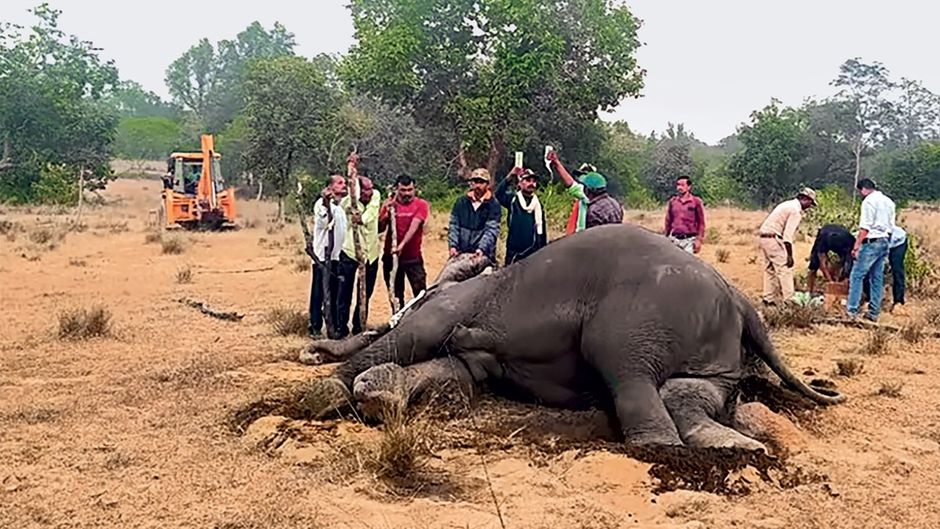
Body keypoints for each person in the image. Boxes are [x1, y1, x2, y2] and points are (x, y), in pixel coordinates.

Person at [336, 173, 381, 337]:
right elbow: (340, 219)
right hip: (350, 252)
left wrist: (359, 218)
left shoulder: (376, 196)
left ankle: (359, 326)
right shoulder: (347, 202)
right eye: (365, 190)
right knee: (344, 292)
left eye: (370, 189)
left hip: (371, 254)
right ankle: (341, 328)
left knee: (365, 293)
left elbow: (369, 217)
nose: (368, 193)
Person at [847, 178, 896, 322]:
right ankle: (874, 312)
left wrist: (856, 246)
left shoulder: (868, 202)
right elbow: (891, 226)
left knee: (856, 276)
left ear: (863, 189)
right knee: (877, 278)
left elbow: (865, 227)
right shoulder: (889, 202)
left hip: (871, 242)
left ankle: (852, 310)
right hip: (884, 241)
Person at [757, 188, 817, 305]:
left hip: (764, 237)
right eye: (810, 203)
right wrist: (789, 256)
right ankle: (789, 301)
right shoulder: (795, 211)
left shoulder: (787, 204)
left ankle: (768, 299)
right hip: (774, 239)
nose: (810, 206)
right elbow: (787, 237)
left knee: (769, 269)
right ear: (805, 199)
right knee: (785, 270)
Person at [379, 174, 430, 311]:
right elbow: (380, 228)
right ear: (396, 189)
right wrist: (385, 214)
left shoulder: (421, 205)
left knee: (420, 293)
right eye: (403, 190)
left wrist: (401, 246)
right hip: (391, 257)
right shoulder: (390, 204)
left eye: (410, 190)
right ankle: (397, 321)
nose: (407, 193)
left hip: (412, 257)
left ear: (414, 189)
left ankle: (420, 321)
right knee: (396, 294)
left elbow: (414, 226)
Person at [309, 174, 348, 338]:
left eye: (344, 183)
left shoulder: (340, 207)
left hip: (336, 257)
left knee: (332, 292)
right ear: (330, 187)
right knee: (319, 293)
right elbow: (324, 223)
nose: (343, 186)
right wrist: (325, 203)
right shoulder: (321, 205)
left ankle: (333, 326)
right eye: (339, 183)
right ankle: (315, 326)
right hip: (322, 258)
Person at [546, 151, 623, 233]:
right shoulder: (615, 204)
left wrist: (557, 163)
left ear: (588, 189)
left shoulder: (593, 210)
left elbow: (592, 238)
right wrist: (556, 163)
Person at [495, 166, 547, 266]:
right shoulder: (513, 199)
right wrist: (511, 175)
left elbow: (542, 230)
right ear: (520, 183)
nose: (531, 183)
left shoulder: (538, 205)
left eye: (534, 181)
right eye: (527, 180)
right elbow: (498, 194)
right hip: (514, 251)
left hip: (533, 251)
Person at [448, 168, 502, 263]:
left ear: (488, 184)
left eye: (481, 182)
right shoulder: (461, 202)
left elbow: (491, 230)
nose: (478, 185)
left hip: (483, 254)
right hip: (461, 253)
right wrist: (453, 246)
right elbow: (454, 225)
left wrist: (482, 249)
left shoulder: (494, 205)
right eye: (475, 181)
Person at [805, 224, 856, 294]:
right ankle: (809, 291)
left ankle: (843, 290)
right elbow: (822, 262)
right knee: (813, 265)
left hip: (846, 241)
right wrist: (830, 280)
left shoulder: (850, 243)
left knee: (847, 269)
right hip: (827, 235)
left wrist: (842, 279)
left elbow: (848, 263)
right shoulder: (822, 239)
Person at [663, 176, 706, 254]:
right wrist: (665, 237)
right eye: (678, 185)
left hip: (689, 240)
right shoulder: (673, 202)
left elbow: (701, 223)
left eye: (682, 185)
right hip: (674, 239)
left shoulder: (696, 202)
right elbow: (668, 221)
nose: (679, 187)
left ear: (689, 187)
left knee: (688, 264)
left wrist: (699, 240)